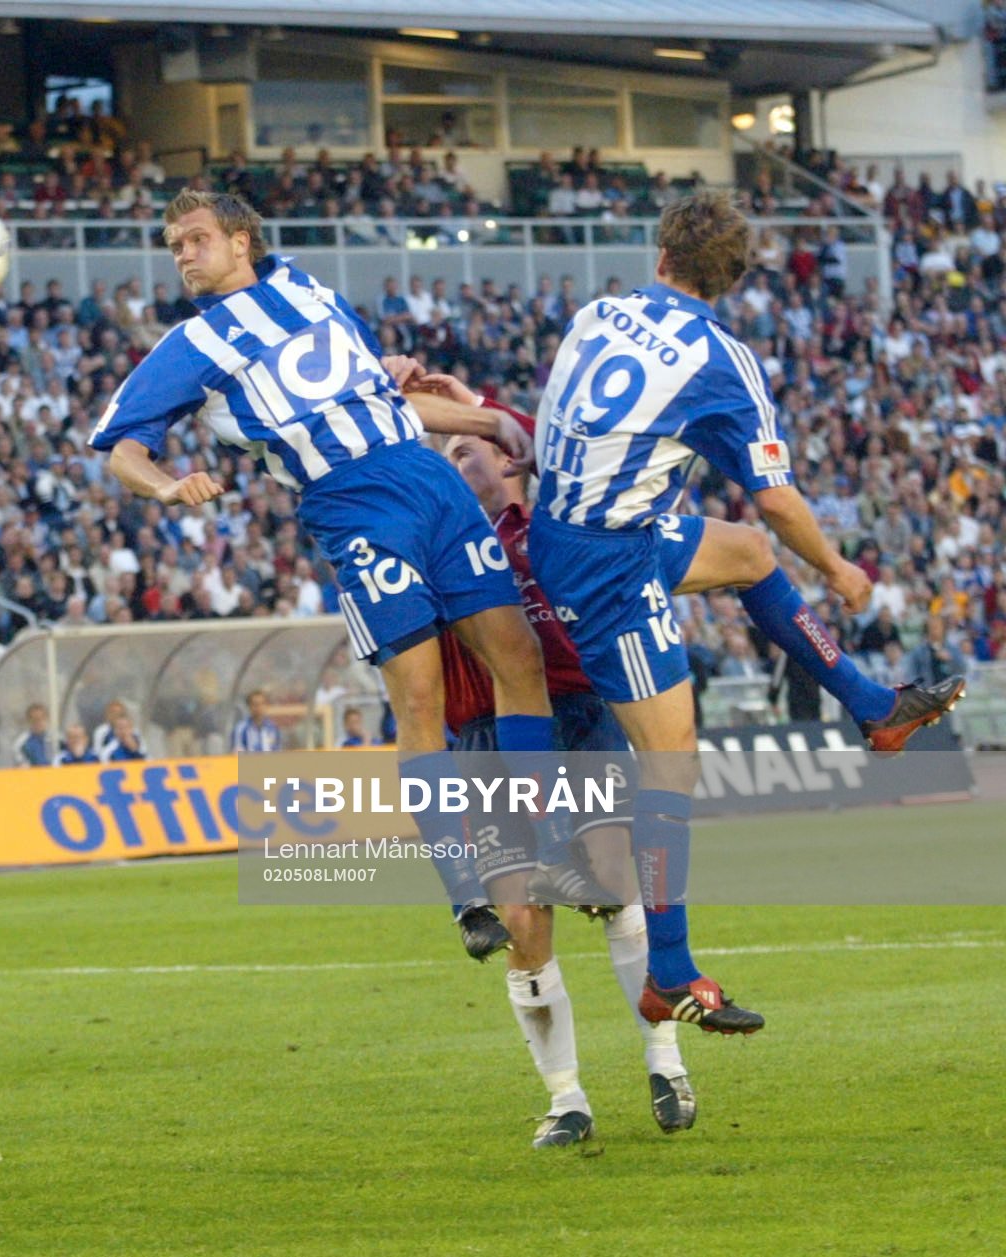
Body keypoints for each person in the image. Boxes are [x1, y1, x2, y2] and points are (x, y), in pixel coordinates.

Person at [88, 190, 605, 963]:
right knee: (421, 696)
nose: (183, 255)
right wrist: (166, 487)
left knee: (519, 657)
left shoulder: (308, 287)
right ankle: (464, 892)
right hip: (352, 505)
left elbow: (385, 397)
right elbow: (121, 447)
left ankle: (556, 847)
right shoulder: (191, 345)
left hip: (429, 482)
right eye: (174, 246)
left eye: (195, 238)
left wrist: (489, 421)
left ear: (241, 240)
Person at [528, 190, 964, 1035]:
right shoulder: (721, 360)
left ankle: (875, 707)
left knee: (750, 554)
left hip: (586, 528)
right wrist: (837, 568)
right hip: (607, 564)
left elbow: (556, 424)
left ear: (662, 256)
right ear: (729, 280)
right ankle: (669, 971)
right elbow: (776, 494)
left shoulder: (601, 312)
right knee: (672, 765)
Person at [439, 416, 692, 1150]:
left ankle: (666, 1063)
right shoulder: (432, 546)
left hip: (577, 720)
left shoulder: (548, 532)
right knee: (524, 919)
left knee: (613, 879)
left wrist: (480, 410)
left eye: (465, 450)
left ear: (509, 461)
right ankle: (566, 1099)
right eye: (445, 454)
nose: (452, 463)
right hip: (485, 740)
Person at [230, 689, 282, 753]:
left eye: (262, 703)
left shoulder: (273, 727)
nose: (259, 707)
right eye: (255, 704)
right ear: (249, 706)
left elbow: (278, 750)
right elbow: (237, 753)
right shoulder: (240, 728)